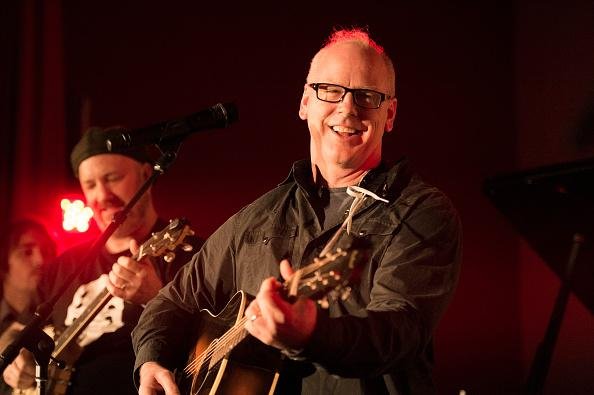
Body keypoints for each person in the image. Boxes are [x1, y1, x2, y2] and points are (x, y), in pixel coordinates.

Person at [133, 28, 462, 395]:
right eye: (330, 91)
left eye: (367, 96)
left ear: (390, 114)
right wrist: (152, 360)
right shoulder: (259, 217)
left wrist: (311, 334)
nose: (347, 109)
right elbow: (172, 301)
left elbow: (397, 331)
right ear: (305, 102)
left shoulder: (420, 212)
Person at [3, 128, 201, 394]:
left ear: (145, 175)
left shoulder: (190, 255)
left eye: (113, 178)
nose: (102, 196)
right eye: (90, 185)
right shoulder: (64, 267)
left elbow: (211, 341)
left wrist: (156, 298)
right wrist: (13, 356)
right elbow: (16, 329)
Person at [0, 219, 56, 394]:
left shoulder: (60, 315)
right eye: (27, 252)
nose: (41, 260)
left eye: (47, 251)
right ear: (3, 263)